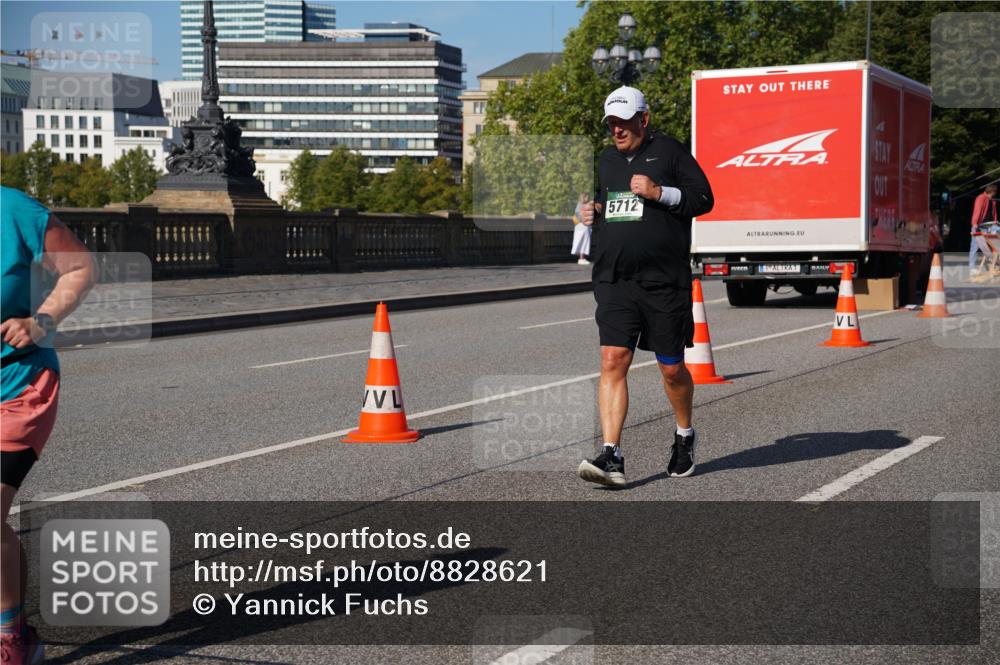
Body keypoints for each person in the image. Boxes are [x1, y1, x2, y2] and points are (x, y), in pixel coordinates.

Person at [576, 86, 714, 487]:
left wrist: (660, 193)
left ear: (644, 119)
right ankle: (612, 455)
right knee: (612, 359)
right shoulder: (605, 160)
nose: (617, 130)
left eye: (624, 122)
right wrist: (591, 212)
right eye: (611, 123)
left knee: (671, 368)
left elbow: (704, 199)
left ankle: (684, 435)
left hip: (663, 281)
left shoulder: (670, 152)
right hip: (615, 279)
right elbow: (607, 203)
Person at [1, 186, 95, 664]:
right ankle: (13, 622)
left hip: (19, 384)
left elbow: (81, 268)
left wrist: (40, 321)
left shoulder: (13, 210)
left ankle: (11, 642)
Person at [969, 183, 998, 273]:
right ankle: (972, 268)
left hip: (990, 225)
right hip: (980, 225)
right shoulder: (980, 198)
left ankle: (992, 259)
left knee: (995, 240)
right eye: (994, 192)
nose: (995, 194)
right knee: (975, 246)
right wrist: (974, 224)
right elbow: (977, 211)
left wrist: (995, 222)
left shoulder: (992, 201)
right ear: (992, 191)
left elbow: (994, 215)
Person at [571, 192, 593, 265]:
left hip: (582, 226)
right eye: (586, 197)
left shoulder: (580, 205)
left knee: (581, 242)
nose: (588, 198)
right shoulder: (582, 205)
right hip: (583, 226)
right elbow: (579, 214)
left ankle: (581, 257)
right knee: (583, 242)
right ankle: (581, 258)